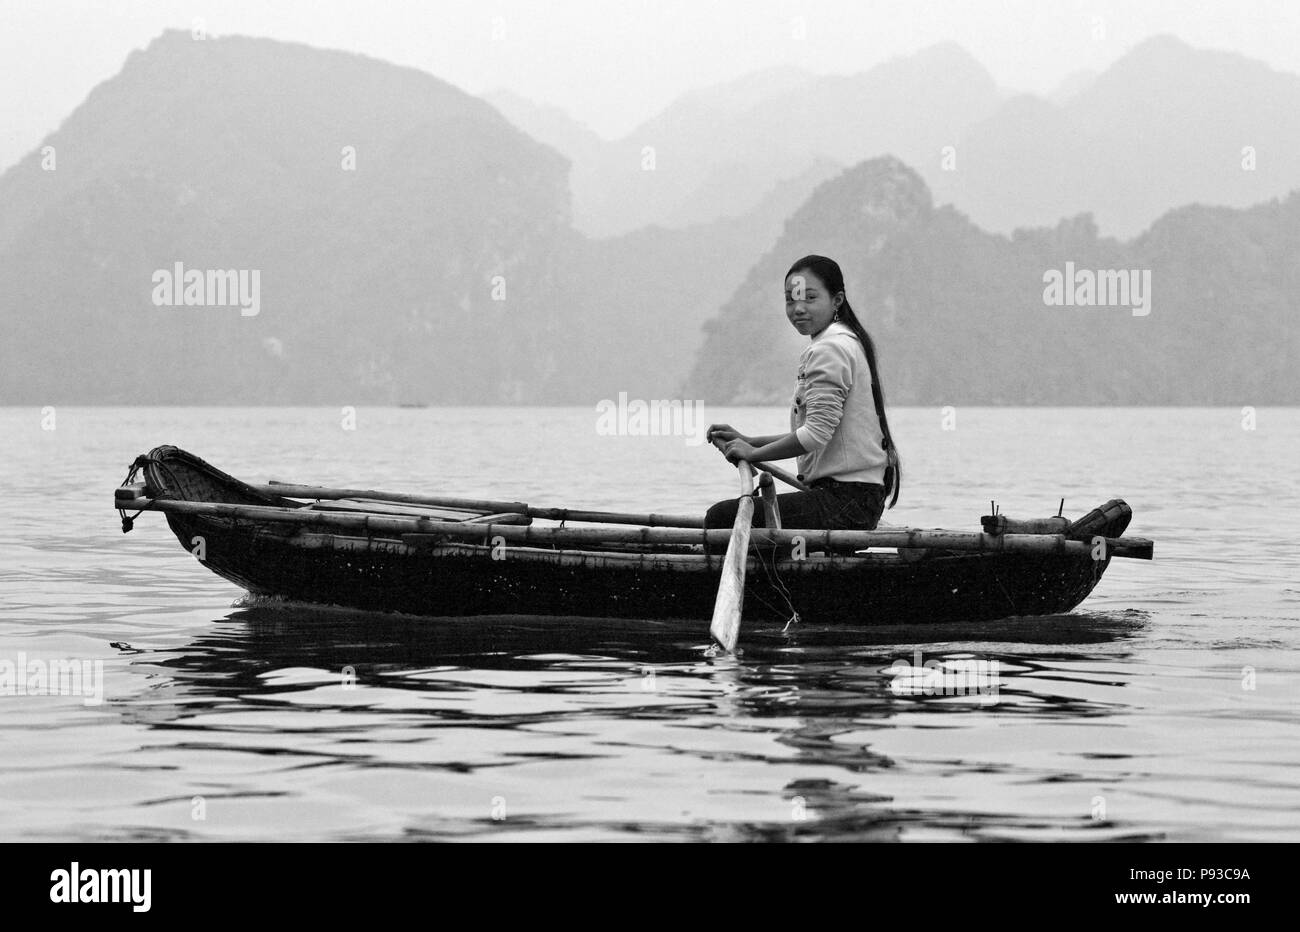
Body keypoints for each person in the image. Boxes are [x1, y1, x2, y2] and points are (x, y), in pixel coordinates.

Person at [704, 255, 901, 549]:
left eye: (810, 298)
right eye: (790, 300)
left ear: (837, 300)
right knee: (733, 520)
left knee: (720, 518)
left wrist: (753, 455)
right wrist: (750, 442)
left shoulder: (829, 348)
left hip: (846, 503)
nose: (798, 309)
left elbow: (815, 435)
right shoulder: (844, 340)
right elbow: (816, 430)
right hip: (858, 501)